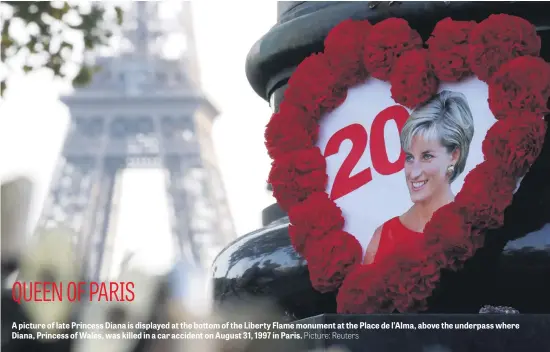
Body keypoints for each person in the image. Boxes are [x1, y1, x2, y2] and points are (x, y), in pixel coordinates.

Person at [364, 90, 475, 265]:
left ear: (454, 155)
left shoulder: (472, 231)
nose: (413, 173)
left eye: (427, 156)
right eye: (409, 157)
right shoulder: (383, 237)